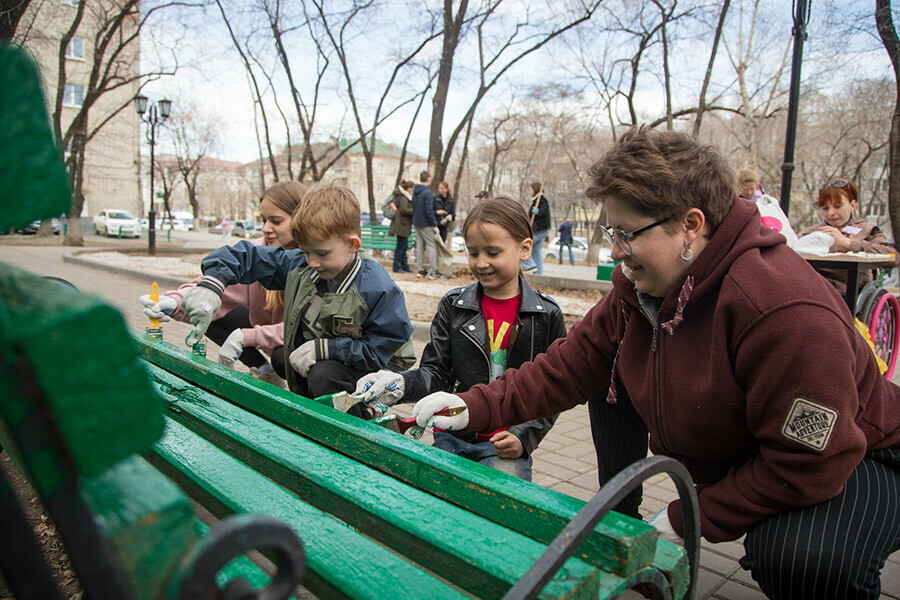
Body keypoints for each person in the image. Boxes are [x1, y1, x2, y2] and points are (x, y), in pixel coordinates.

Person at [413, 127, 900, 600]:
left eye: (627, 233)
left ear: (691, 224)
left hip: (857, 456)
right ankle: (623, 520)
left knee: (800, 561)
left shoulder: (782, 310)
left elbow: (810, 461)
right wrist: (471, 406)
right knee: (612, 376)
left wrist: (686, 518)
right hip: (745, 443)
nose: (614, 250)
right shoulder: (642, 286)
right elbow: (566, 366)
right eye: (611, 231)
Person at [354, 196, 563, 480]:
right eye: (473, 252)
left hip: (504, 444)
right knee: (436, 503)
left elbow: (550, 389)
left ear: (525, 248)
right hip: (451, 433)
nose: (481, 263)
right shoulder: (454, 306)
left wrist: (525, 436)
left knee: (504, 508)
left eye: (493, 252)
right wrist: (400, 383)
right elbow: (436, 372)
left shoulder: (545, 315)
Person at [177, 182, 417, 413]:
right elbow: (245, 256)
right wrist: (213, 282)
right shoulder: (303, 265)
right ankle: (311, 411)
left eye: (321, 253)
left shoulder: (376, 287)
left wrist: (325, 348)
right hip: (330, 357)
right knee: (283, 357)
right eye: (306, 250)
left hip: (375, 368)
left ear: (352, 244)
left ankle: (361, 424)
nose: (312, 261)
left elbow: (381, 349)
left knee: (323, 375)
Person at [140, 181, 306, 386]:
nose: (265, 229)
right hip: (269, 337)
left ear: (300, 220)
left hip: (296, 345)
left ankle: (301, 402)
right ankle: (265, 370)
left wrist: (248, 336)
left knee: (285, 357)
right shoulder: (257, 252)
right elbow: (214, 286)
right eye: (263, 220)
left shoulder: (315, 260)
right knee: (207, 308)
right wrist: (174, 302)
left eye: (276, 221)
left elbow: (307, 329)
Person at [797, 177, 898, 296]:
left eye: (837, 206)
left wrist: (848, 243)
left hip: (848, 290)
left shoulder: (866, 230)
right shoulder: (809, 233)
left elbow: (893, 257)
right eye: (825, 208)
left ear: (853, 205)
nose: (831, 213)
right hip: (810, 285)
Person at [412, 171, 441, 278]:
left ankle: (420, 269)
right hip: (426, 223)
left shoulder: (415, 192)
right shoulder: (427, 193)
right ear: (428, 179)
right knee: (431, 245)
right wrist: (434, 224)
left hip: (417, 222)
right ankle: (433, 270)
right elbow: (429, 210)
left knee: (420, 245)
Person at [520, 182, 550, 274]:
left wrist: (537, 211)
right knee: (536, 252)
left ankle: (528, 264)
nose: (530, 191)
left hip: (540, 230)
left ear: (535, 189)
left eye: (531, 189)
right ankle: (539, 272)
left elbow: (544, 211)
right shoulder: (537, 200)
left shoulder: (541, 199)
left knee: (524, 244)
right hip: (541, 230)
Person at [388, 180, 415, 273]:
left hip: (403, 225)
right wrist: (414, 211)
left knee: (404, 246)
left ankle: (404, 265)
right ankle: (397, 266)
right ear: (409, 189)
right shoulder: (404, 197)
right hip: (402, 225)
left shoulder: (404, 196)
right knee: (401, 246)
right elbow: (403, 210)